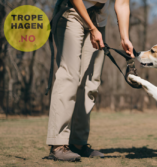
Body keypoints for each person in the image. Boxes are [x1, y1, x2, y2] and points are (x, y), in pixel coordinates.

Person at [46, 0, 134, 161]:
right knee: (69, 77)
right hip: (73, 12)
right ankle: (58, 144)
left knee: (90, 83)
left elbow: (122, 3)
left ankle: (78, 143)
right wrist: (92, 28)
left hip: (99, 20)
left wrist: (124, 37)